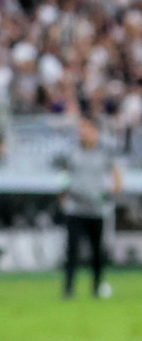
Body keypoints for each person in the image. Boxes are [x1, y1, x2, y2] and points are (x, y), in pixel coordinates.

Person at [59, 116, 122, 299]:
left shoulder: (104, 154)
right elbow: (63, 176)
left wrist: (114, 189)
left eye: (87, 129)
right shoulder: (72, 153)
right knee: (72, 250)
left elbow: (116, 175)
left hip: (96, 210)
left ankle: (96, 287)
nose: (83, 133)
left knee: (97, 251)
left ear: (95, 132)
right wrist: (63, 197)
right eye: (81, 129)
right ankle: (68, 289)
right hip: (75, 209)